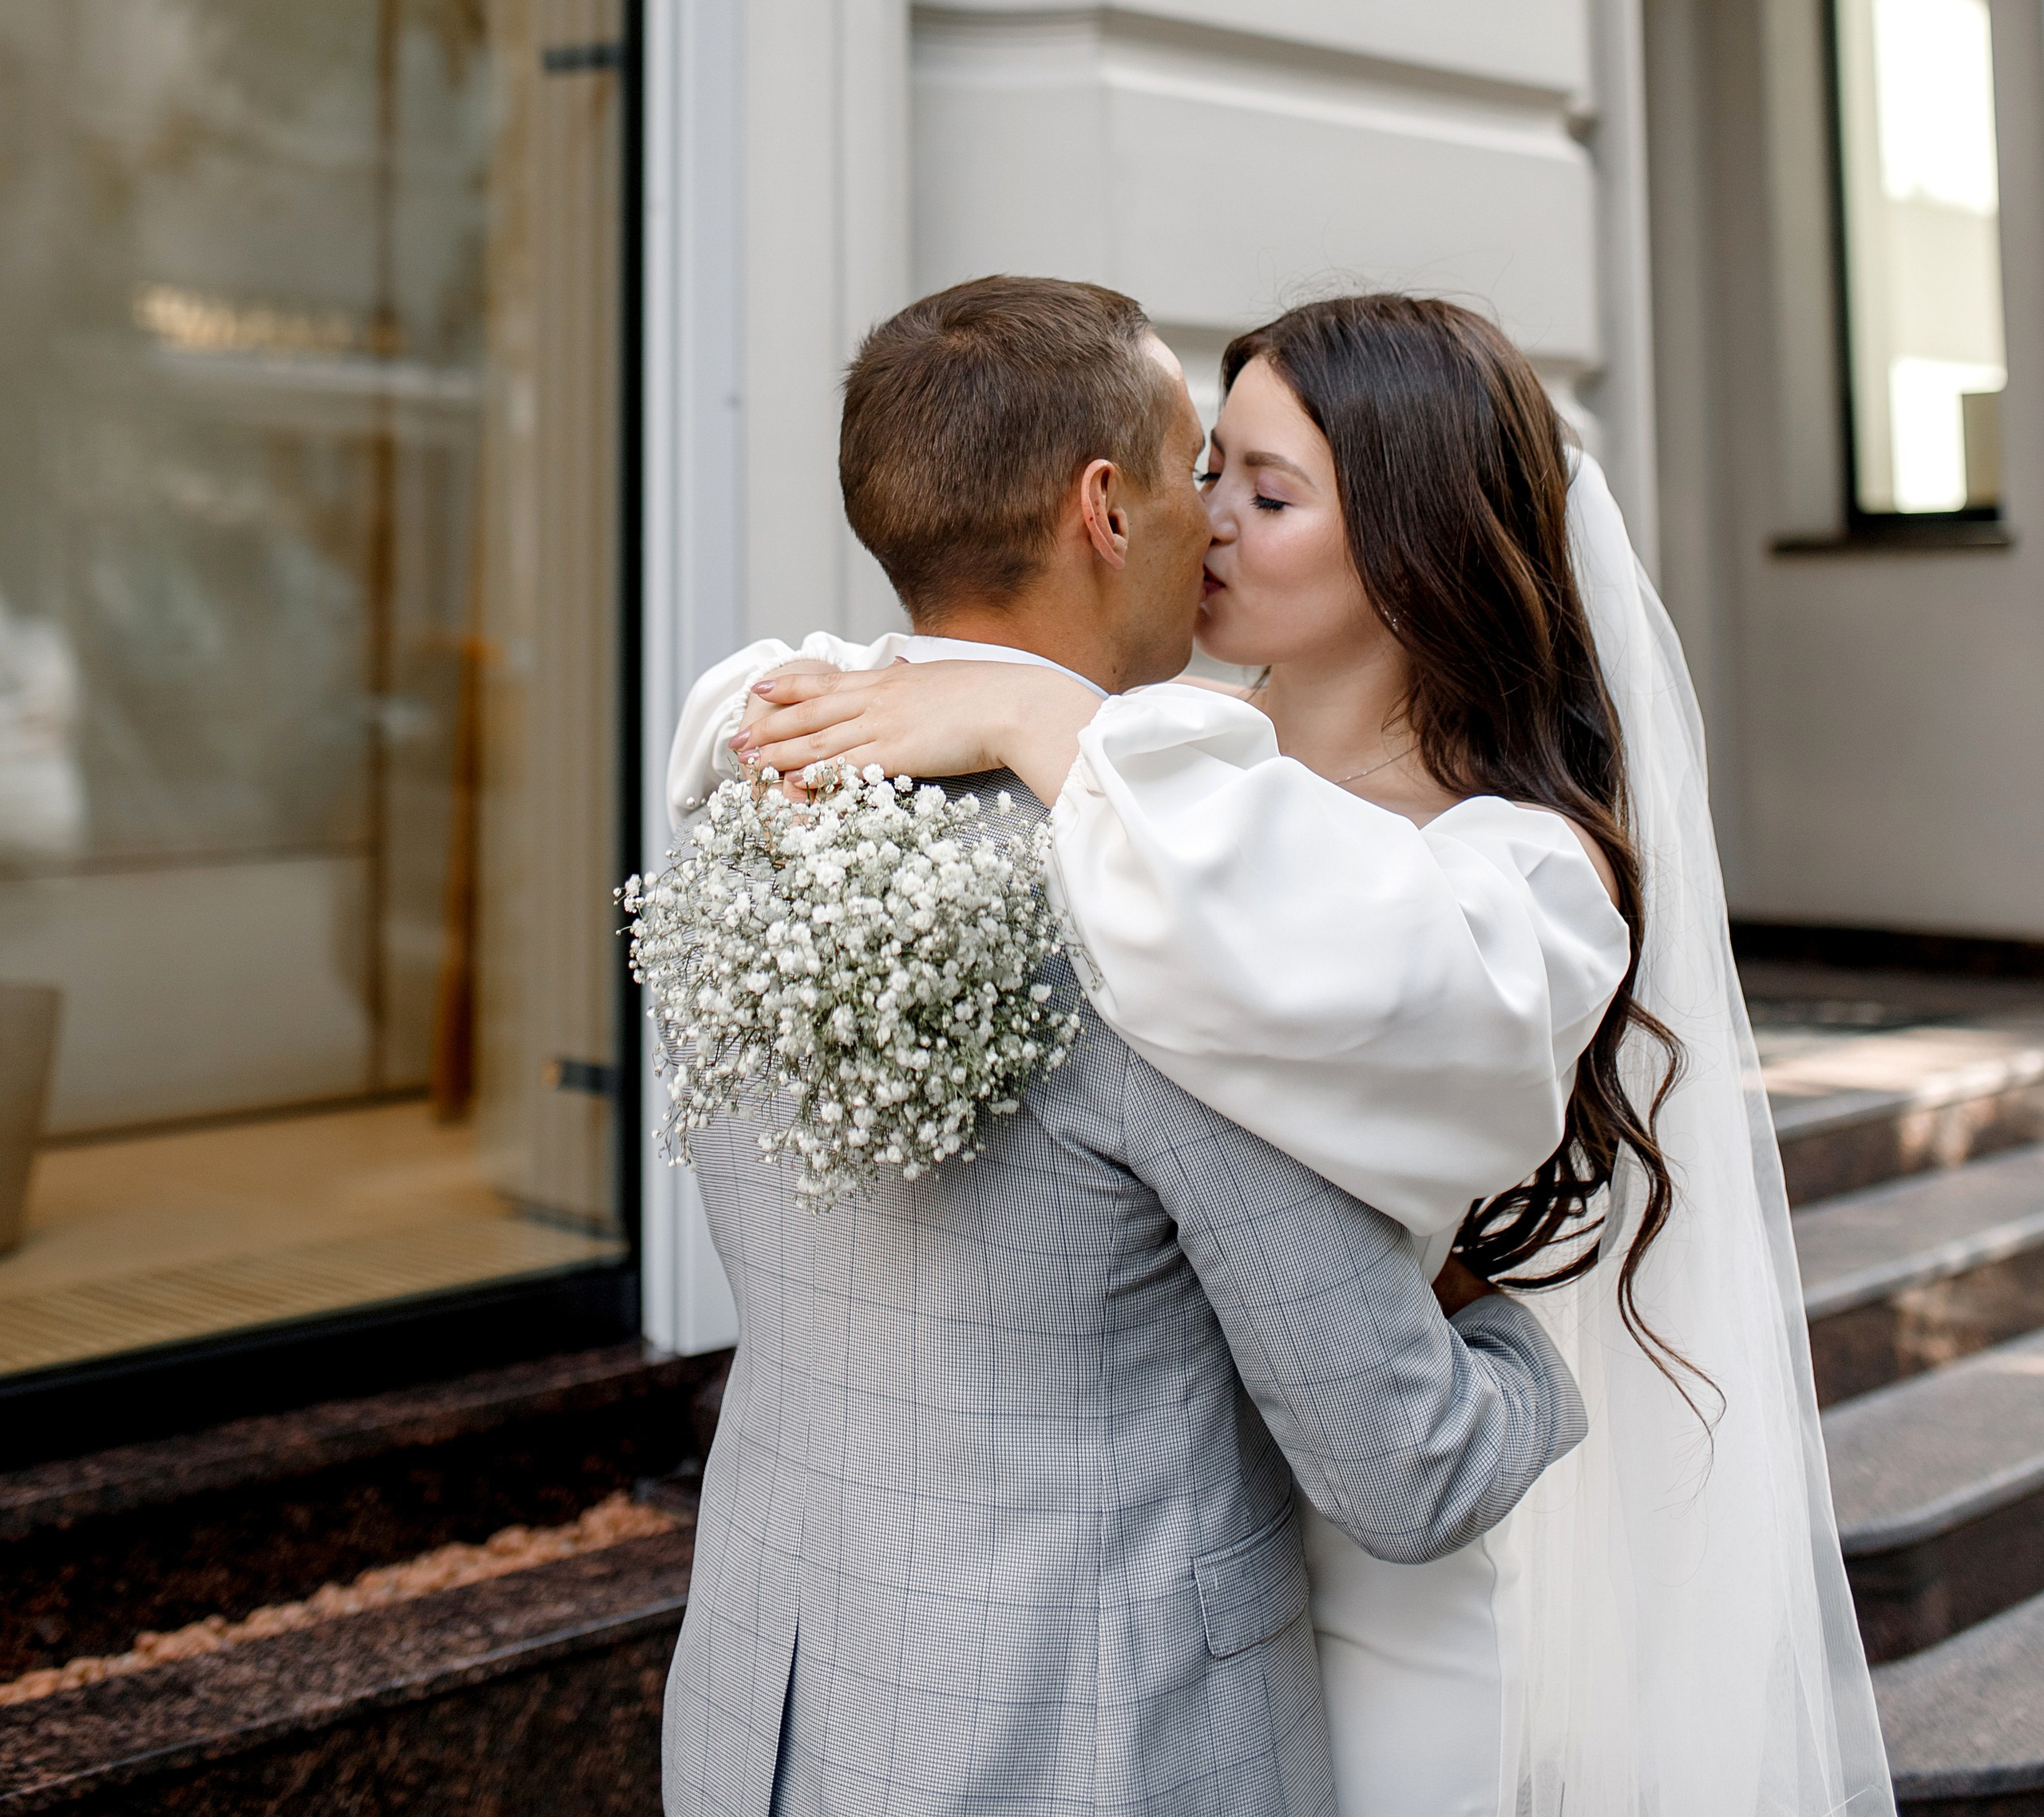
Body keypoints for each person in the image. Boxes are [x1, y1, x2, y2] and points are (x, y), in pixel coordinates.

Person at [707, 289, 1894, 1817]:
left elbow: (1274, 926)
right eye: (1207, 477)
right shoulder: (1152, 768)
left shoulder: (1490, 873)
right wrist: (1015, 705)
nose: (1200, 525)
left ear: (1420, 541)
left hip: (1351, 1591)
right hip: (1117, 1603)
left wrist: (1025, 701)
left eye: (1266, 496)